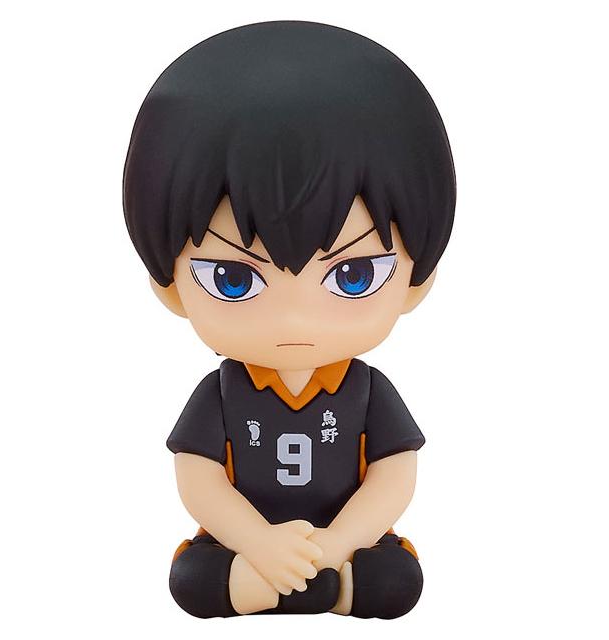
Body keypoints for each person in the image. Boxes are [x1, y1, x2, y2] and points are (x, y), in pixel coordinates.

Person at [123, 20, 455, 618]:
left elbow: (394, 477)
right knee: (193, 578)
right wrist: (258, 542)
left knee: (393, 580)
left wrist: (335, 544)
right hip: (243, 545)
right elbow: (198, 478)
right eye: (234, 279)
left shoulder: (367, 392)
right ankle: (277, 583)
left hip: (343, 543)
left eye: (353, 276)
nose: (295, 320)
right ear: (170, 288)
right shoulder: (223, 393)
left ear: (416, 281)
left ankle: (311, 584)